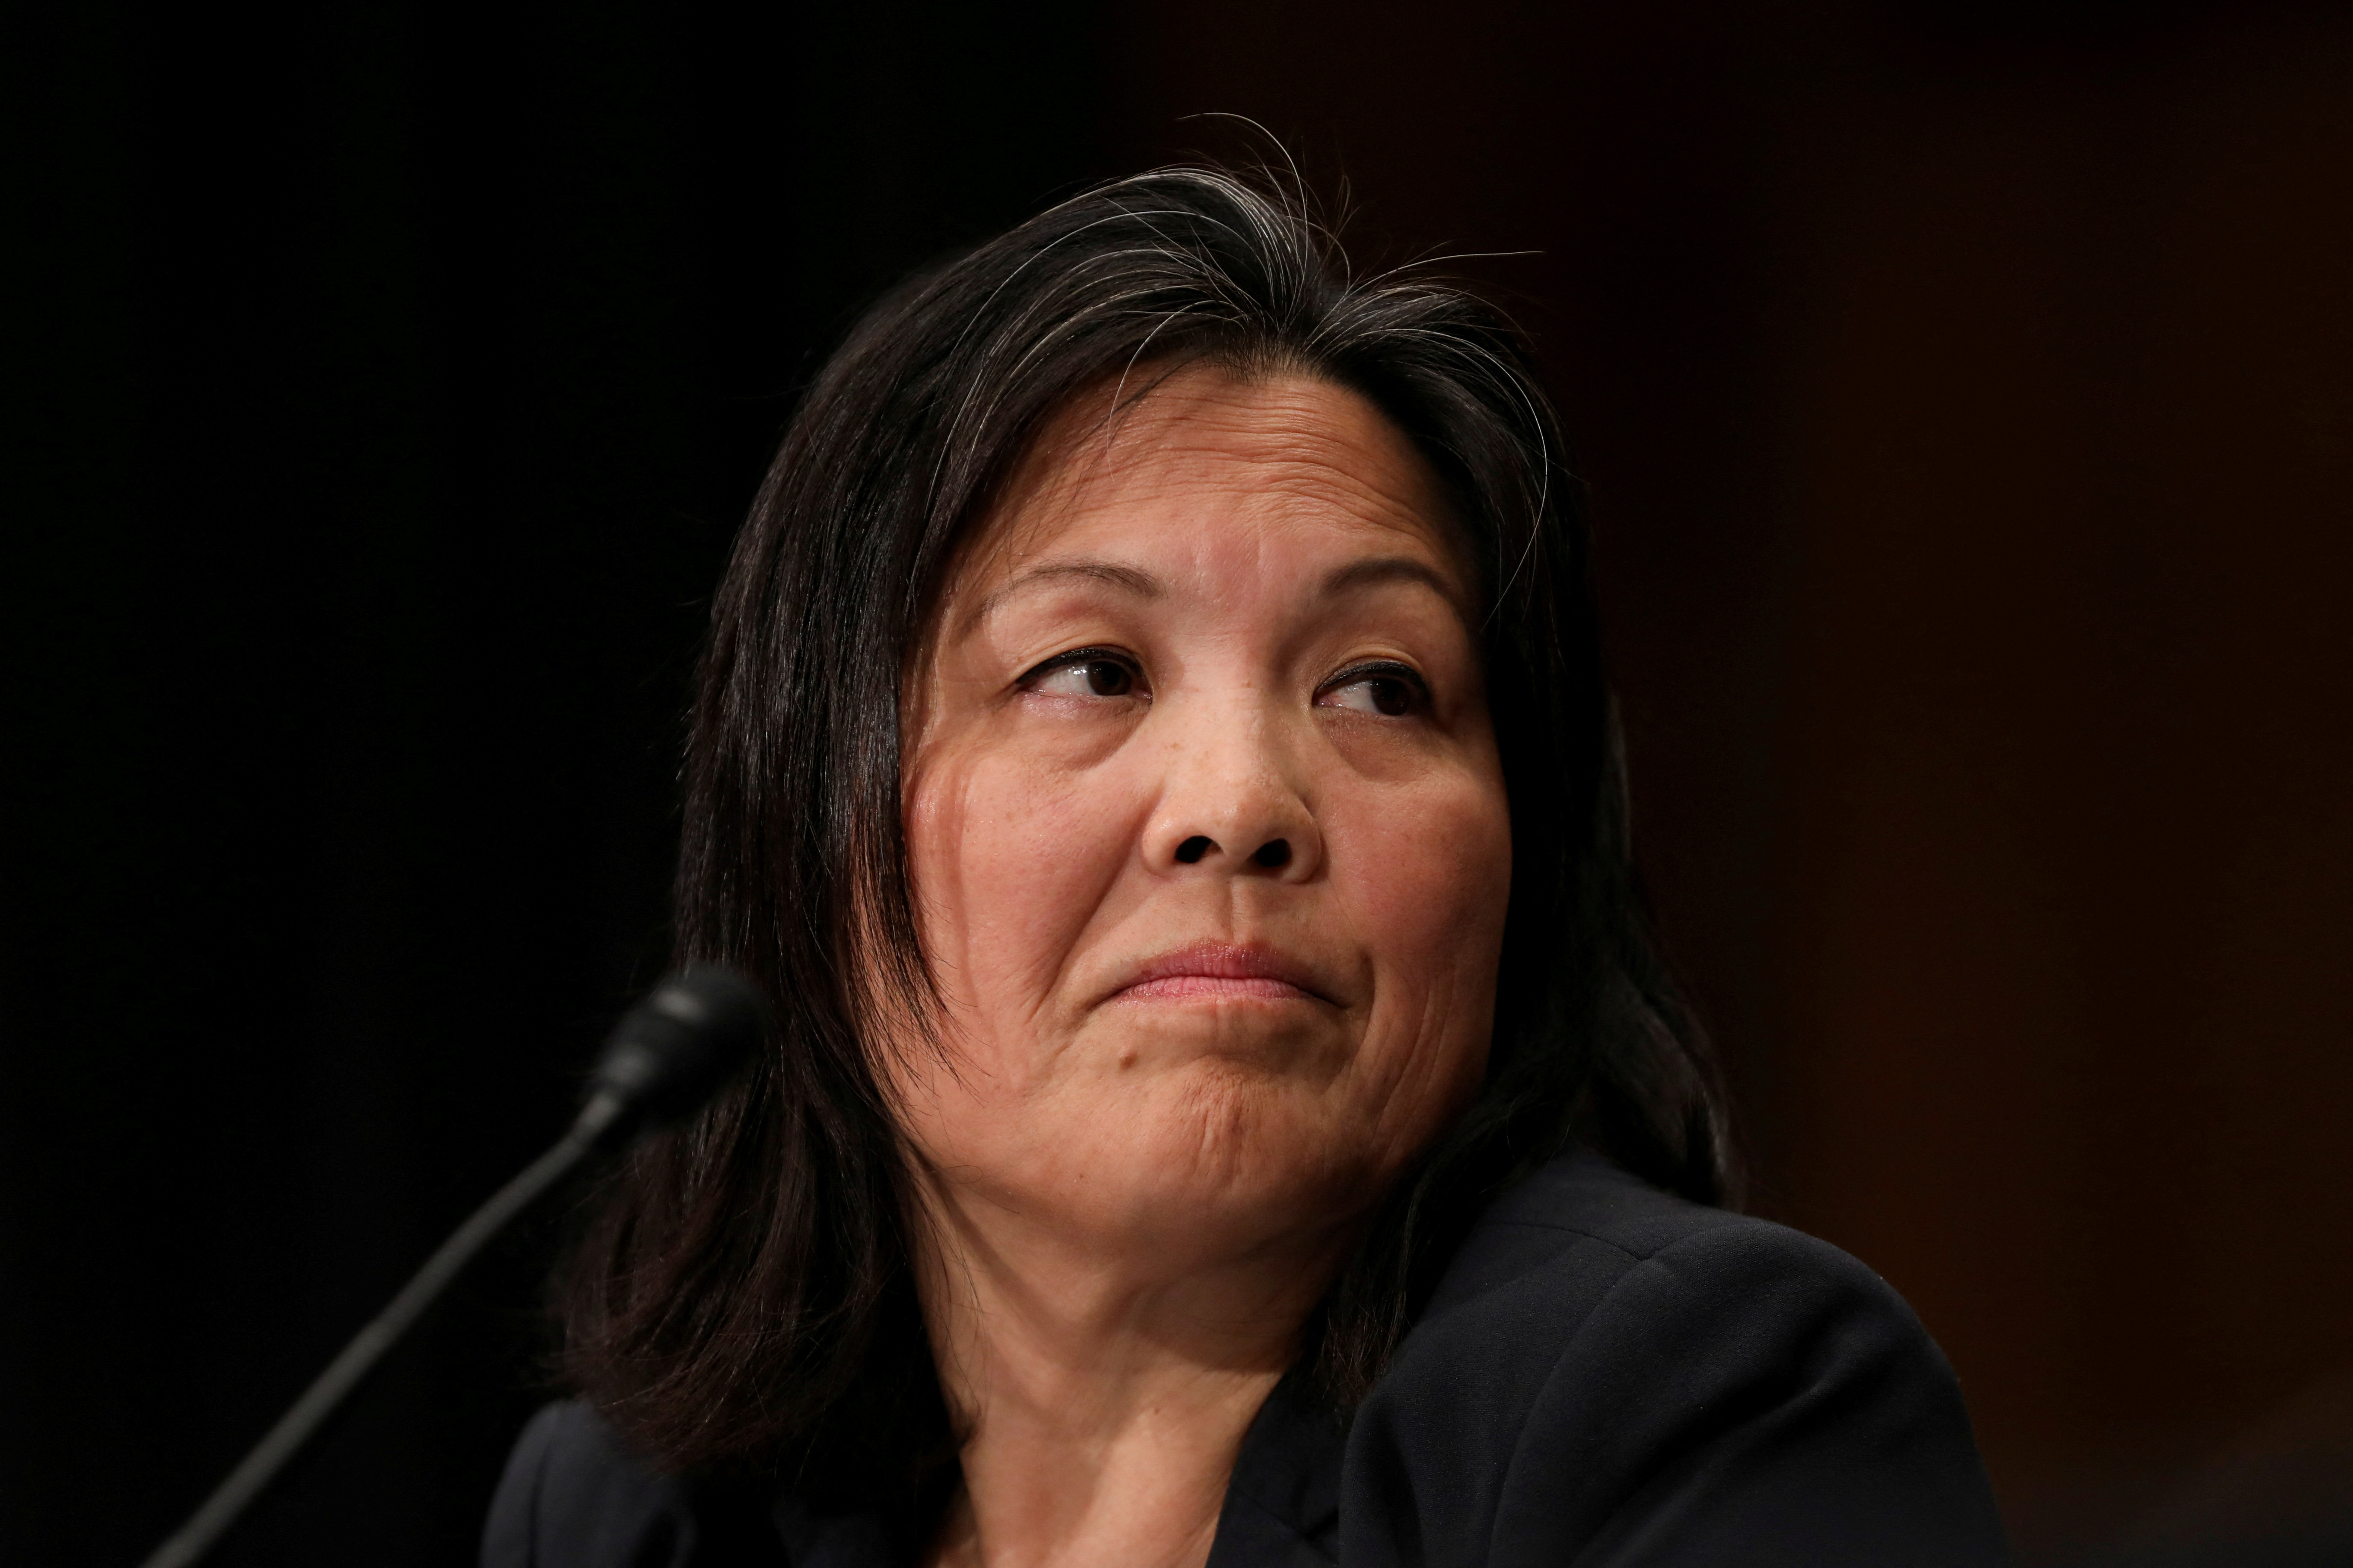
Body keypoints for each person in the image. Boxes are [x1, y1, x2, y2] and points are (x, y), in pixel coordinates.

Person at [483, 165, 2009, 1568]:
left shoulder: (1696, 1407)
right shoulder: (640, 1519)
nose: (1240, 804)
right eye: (1091, 670)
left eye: (1379, 687)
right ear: (808, 823)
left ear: (1525, 862)